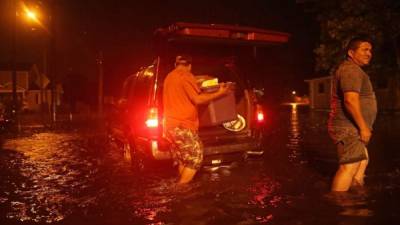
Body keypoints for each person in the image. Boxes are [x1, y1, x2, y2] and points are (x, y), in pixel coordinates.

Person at [163, 55, 232, 184]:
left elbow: (187, 90)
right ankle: (180, 190)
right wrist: (220, 93)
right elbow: (197, 99)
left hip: (170, 125)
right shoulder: (186, 76)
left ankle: (181, 190)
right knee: (196, 157)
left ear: (175, 64)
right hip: (182, 125)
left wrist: (202, 81)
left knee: (185, 158)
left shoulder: (170, 76)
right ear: (190, 66)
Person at [328, 36, 377, 192]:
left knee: (362, 162)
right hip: (348, 127)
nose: (369, 53)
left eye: (370, 50)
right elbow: (350, 100)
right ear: (351, 52)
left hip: (353, 127)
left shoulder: (354, 70)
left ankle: (356, 198)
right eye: (364, 49)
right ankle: (339, 206)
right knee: (348, 167)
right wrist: (363, 127)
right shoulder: (350, 70)